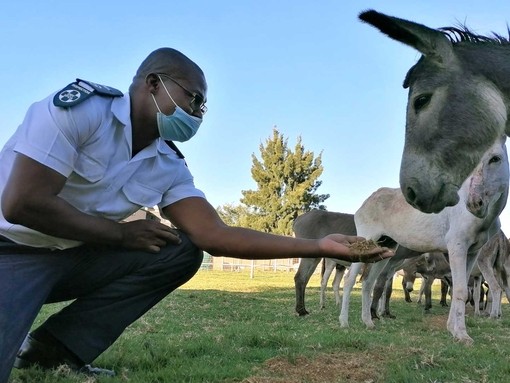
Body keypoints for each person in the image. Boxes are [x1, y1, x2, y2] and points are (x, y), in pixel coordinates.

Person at [0, 47, 393, 382]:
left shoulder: (167, 163)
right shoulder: (80, 111)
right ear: (153, 84)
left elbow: (214, 236)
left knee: (180, 250)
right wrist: (119, 235)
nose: (198, 113)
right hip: (11, 252)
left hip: (74, 256)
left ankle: (53, 349)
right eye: (193, 98)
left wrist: (318, 245)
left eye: (203, 106)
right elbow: (23, 203)